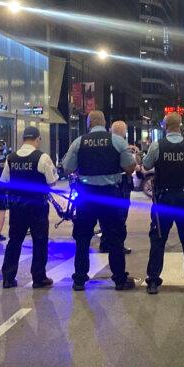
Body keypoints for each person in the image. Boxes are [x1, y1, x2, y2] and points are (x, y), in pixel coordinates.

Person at [61, 110, 137, 291]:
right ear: (104, 123)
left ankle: (79, 279)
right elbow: (129, 167)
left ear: (89, 124)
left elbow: (67, 167)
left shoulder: (79, 142)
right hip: (110, 195)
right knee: (115, 238)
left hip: (86, 195)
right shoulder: (117, 141)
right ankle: (119, 279)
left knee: (82, 238)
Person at [142, 112, 184, 295]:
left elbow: (146, 165)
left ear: (164, 126)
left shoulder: (157, 146)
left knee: (158, 239)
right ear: (180, 126)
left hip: (163, 199)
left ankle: (153, 280)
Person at [1, 126, 59, 289]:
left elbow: (4, 180)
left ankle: (8, 277)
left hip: (17, 205)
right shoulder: (42, 157)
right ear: (37, 139)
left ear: (23, 139)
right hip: (37, 206)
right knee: (39, 241)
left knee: (14, 240)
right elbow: (51, 181)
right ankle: (39, 277)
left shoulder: (10, 158)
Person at [109, 120, 136, 255]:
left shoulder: (108, 144)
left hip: (107, 185)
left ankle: (106, 242)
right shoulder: (122, 145)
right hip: (122, 184)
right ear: (124, 132)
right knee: (121, 216)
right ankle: (118, 245)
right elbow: (130, 167)